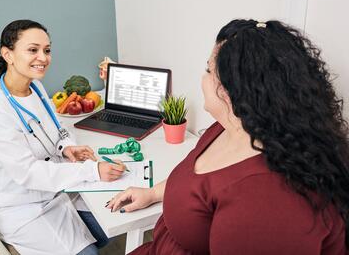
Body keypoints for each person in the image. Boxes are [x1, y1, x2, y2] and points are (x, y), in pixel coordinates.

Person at [107, 19, 349, 254]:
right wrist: (152, 193)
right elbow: (198, 182)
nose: (203, 78)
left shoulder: (265, 202)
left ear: (232, 91)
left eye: (209, 70)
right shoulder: (229, 127)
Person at [0, 19, 127, 255]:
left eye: (47, 50)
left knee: (115, 218)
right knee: (89, 252)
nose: (43, 57)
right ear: (8, 54)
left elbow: (58, 129)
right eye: (32, 50)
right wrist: (92, 170)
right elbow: (28, 173)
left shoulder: (35, 86)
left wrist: (66, 148)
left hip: (55, 190)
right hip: (21, 205)